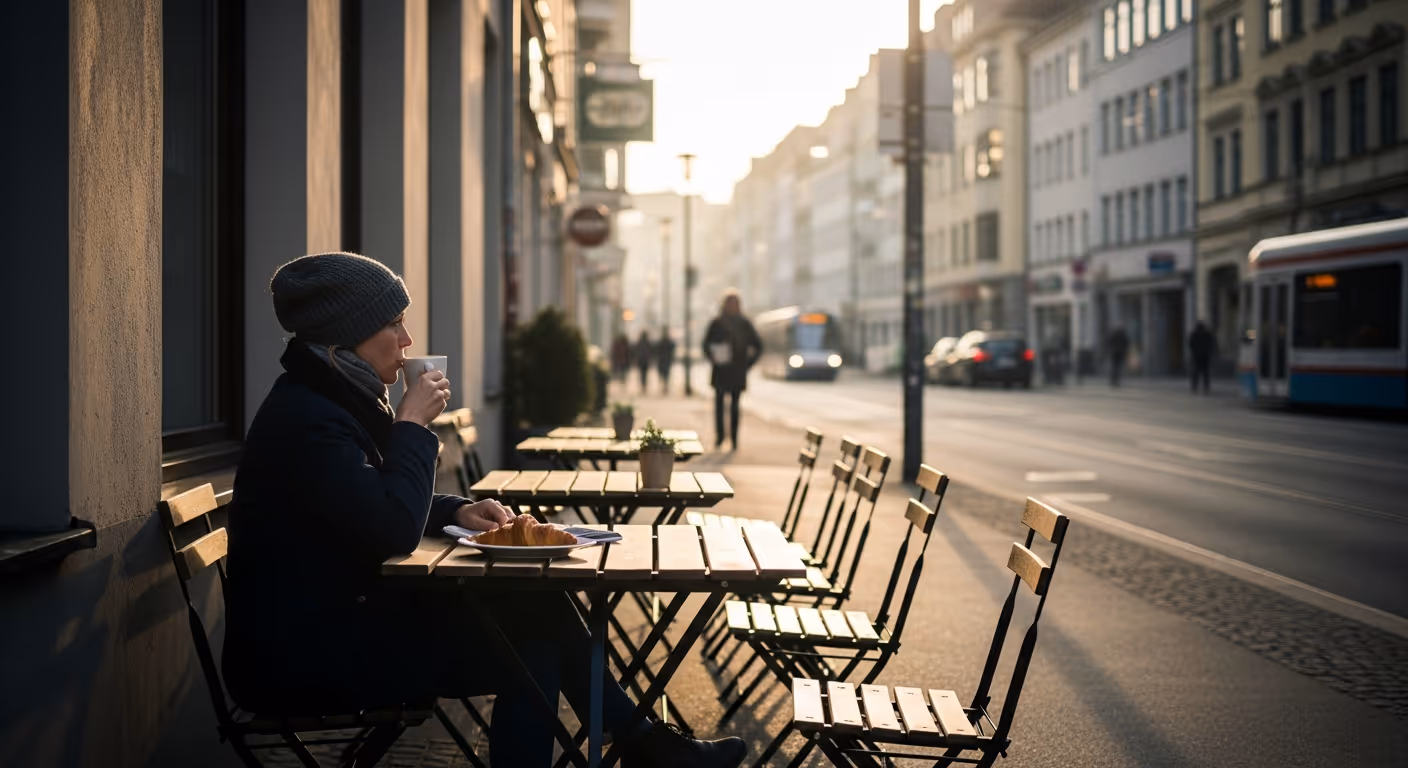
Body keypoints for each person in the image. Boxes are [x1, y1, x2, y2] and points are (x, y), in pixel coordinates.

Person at [223, 252, 745, 768]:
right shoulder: (311, 417)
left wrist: (456, 511)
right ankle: (646, 744)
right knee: (528, 642)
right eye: (395, 323)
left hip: (340, 621)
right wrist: (411, 427)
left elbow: (362, 504)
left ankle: (643, 742)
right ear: (347, 336)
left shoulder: (329, 398)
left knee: (536, 614)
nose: (407, 342)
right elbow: (389, 529)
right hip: (300, 656)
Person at [702, 289, 762, 450]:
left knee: (735, 406)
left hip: (736, 372)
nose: (732, 306)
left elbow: (758, 346)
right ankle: (720, 437)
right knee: (720, 406)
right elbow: (706, 344)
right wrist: (713, 357)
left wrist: (747, 364)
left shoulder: (744, 323)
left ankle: (734, 439)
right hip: (721, 371)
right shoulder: (717, 323)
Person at [1188, 321, 1217, 394]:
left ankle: (1196, 386)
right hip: (1204, 357)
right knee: (1203, 373)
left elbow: (1191, 344)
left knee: (1197, 372)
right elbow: (1211, 344)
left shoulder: (1195, 334)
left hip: (1198, 356)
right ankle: (1204, 387)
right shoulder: (1206, 335)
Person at [656, 330, 677, 394]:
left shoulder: (663, 342)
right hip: (665, 360)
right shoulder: (666, 342)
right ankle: (665, 386)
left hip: (664, 360)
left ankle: (665, 386)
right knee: (666, 374)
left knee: (665, 374)